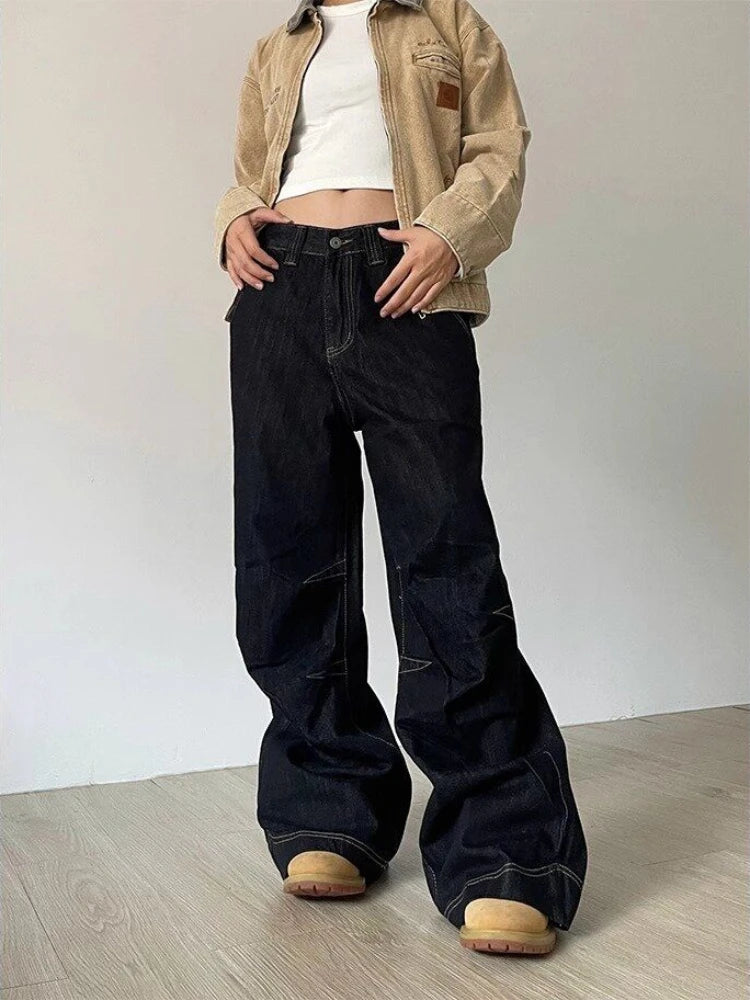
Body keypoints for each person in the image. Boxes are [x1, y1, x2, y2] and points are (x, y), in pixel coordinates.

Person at [214, 0, 588, 956]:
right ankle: (327, 806)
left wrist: (449, 235)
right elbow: (252, 169)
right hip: (278, 291)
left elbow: (498, 146)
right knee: (285, 557)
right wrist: (233, 224)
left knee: (444, 558)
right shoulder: (277, 44)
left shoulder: (448, 20)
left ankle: (506, 849)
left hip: (405, 283)